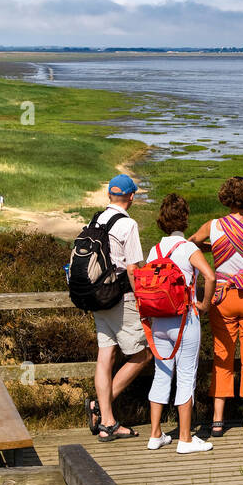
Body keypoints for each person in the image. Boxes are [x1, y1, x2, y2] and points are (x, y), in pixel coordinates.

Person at [189, 176, 243, 436]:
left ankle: (217, 420)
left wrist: (215, 249)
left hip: (222, 297)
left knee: (222, 355)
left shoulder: (213, 226)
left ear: (225, 198)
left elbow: (190, 243)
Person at [144, 193, 217, 454]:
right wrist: (205, 304)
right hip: (185, 319)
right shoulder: (188, 248)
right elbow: (209, 276)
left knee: (161, 375)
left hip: (158, 321)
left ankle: (155, 435)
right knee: (186, 376)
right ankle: (185, 439)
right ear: (184, 219)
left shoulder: (155, 250)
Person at [87, 174, 151, 442]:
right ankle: (102, 411)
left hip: (97, 297)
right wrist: (142, 302)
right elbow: (134, 269)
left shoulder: (95, 220)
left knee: (106, 357)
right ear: (131, 196)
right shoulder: (128, 224)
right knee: (143, 355)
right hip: (121, 298)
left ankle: (107, 421)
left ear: (109, 195)